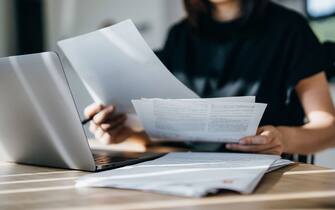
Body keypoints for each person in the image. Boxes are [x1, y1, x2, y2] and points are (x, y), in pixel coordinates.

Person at [84, 0, 335, 157]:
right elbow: (169, 135)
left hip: (269, 178)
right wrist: (124, 132)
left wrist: (282, 137)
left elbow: (329, 128)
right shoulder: (179, 37)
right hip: (189, 175)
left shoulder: (290, 29)